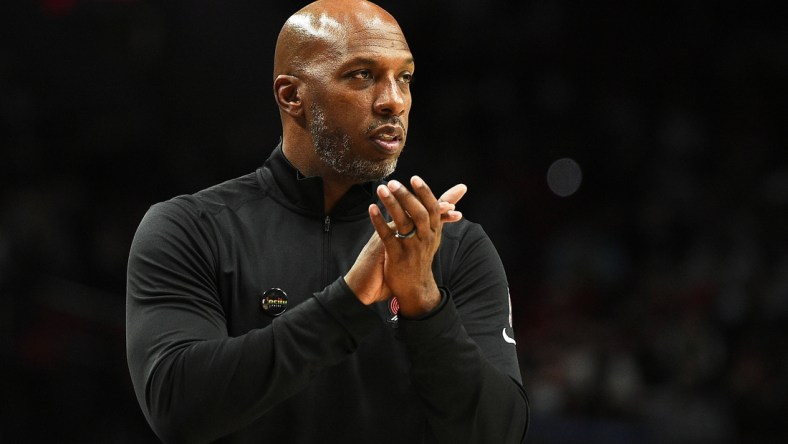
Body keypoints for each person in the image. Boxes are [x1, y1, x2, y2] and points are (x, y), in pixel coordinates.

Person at [125, 0, 529, 442]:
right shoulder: (191, 229)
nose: (393, 101)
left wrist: (425, 304)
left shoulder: (452, 246)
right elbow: (177, 409)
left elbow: (500, 434)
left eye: (405, 77)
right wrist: (351, 300)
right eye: (362, 75)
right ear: (291, 95)